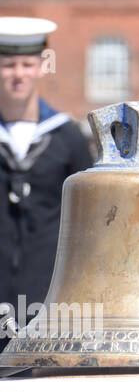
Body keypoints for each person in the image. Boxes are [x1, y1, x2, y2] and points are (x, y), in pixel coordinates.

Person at [0, 17, 94, 339]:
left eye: (27, 64)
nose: (18, 75)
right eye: (8, 65)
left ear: (41, 66)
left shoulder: (67, 136)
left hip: (49, 295)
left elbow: (88, 217)